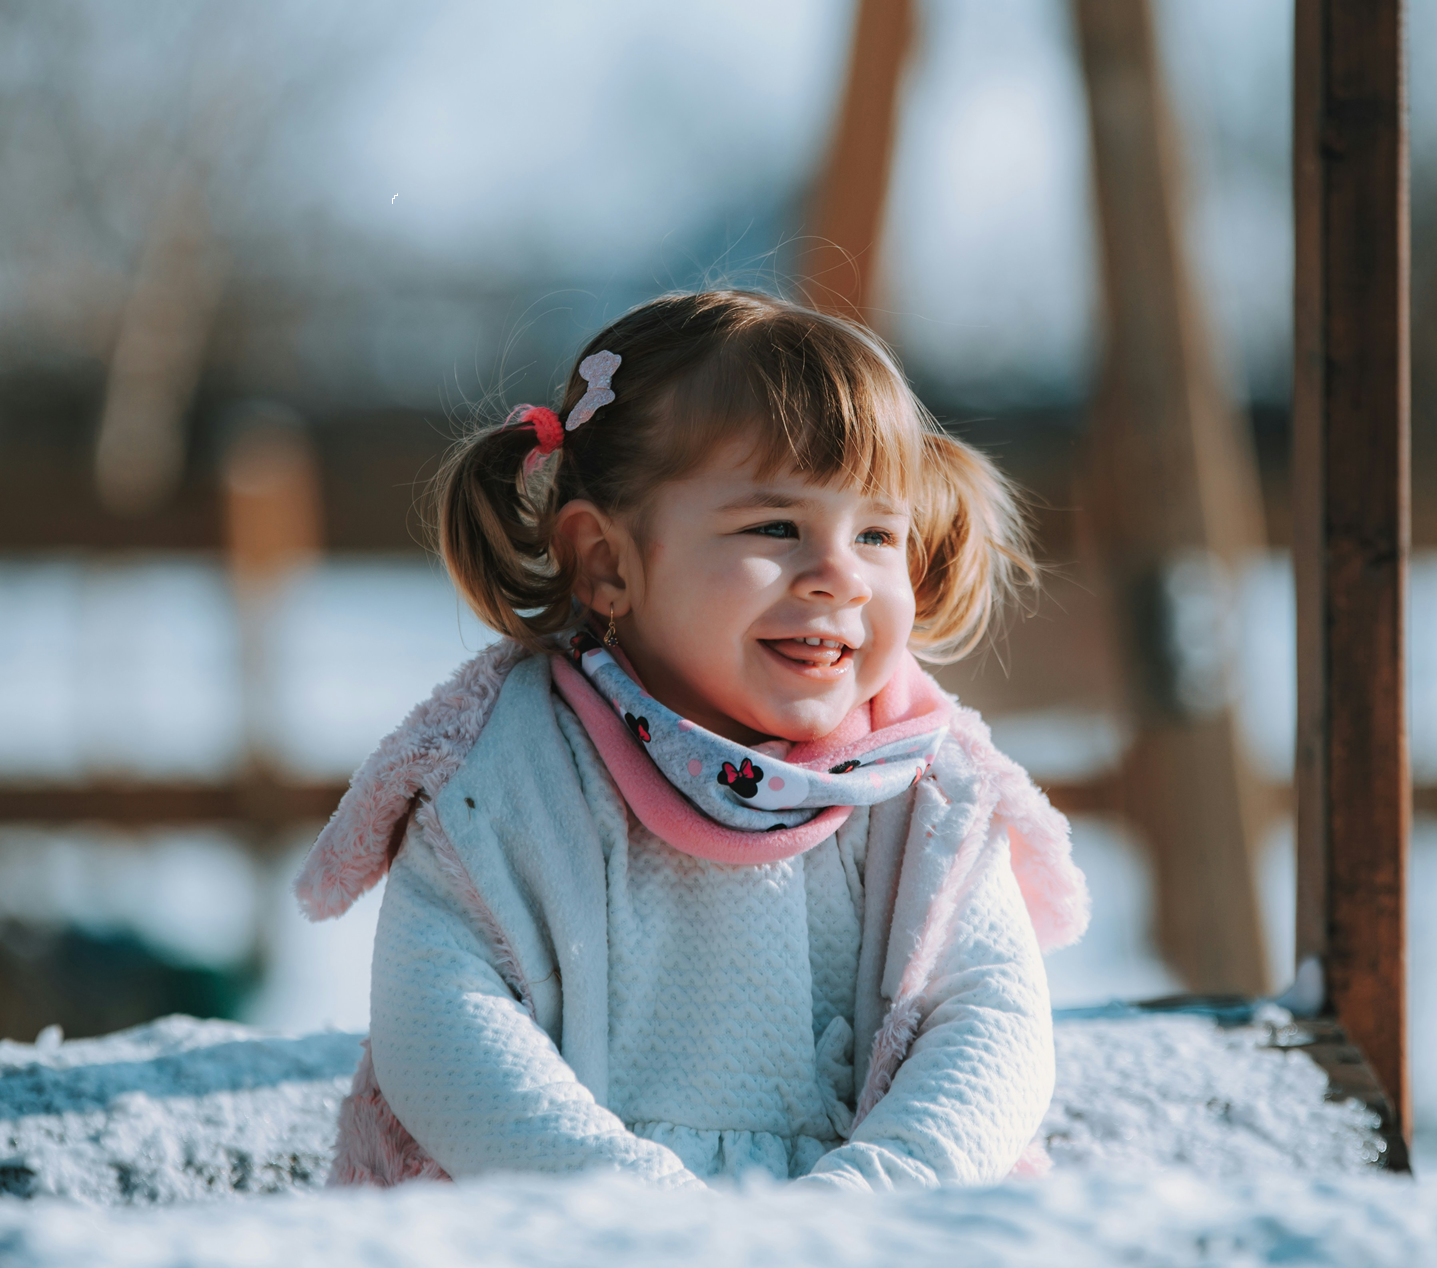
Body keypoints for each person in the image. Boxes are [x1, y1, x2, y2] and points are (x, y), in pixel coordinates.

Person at [295, 289, 1089, 1192]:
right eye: (775, 527)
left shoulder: (927, 791)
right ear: (606, 562)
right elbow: (440, 1022)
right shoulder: (505, 773)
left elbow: (992, 1024)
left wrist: (872, 1203)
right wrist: (641, 1216)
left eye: (875, 532)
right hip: (564, 1231)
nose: (840, 577)